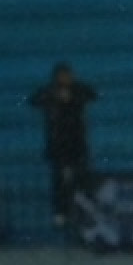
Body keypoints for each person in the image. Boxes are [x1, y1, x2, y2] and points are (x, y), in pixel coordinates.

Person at [29, 62, 98, 228]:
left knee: (81, 179)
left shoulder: (78, 90)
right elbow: (34, 100)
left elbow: (93, 94)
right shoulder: (49, 92)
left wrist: (72, 98)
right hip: (58, 146)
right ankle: (60, 213)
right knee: (59, 181)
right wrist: (54, 97)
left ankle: (84, 212)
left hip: (77, 144)